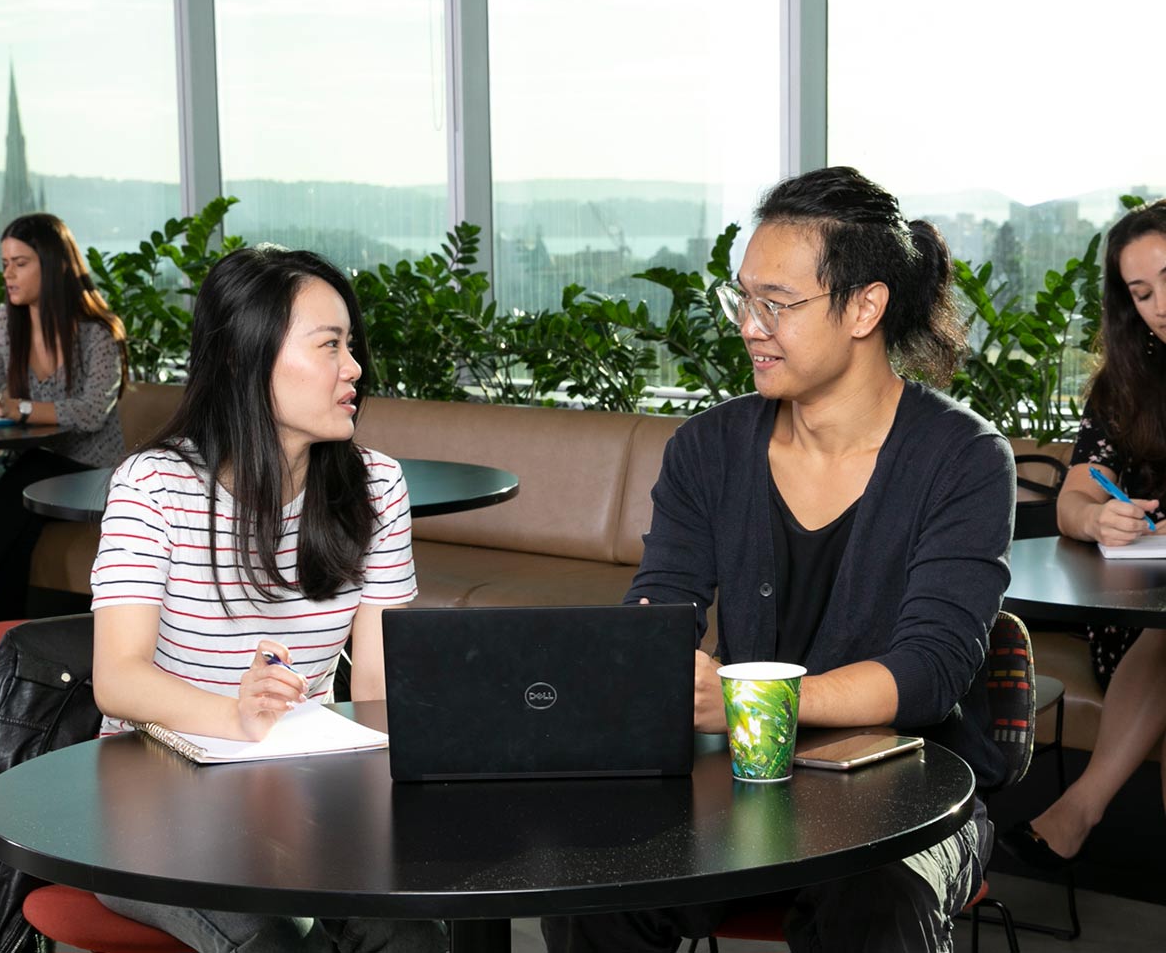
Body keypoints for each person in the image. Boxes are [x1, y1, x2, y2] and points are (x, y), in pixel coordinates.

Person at [542, 166, 1015, 953]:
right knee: (592, 884)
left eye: (777, 303)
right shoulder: (708, 449)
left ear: (864, 307)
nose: (749, 326)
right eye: (743, 299)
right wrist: (653, 660)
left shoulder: (962, 458)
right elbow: (660, 612)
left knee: (876, 901)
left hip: (913, 794)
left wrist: (749, 704)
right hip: (740, 785)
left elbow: (931, 671)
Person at [89, 246, 444, 953]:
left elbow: (378, 688)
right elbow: (118, 679)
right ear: (241, 360)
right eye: (329, 345)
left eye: (351, 345)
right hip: (153, 798)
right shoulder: (153, 486)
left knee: (410, 933)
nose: (354, 368)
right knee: (272, 942)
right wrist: (237, 716)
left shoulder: (375, 486)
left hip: (307, 790)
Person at [1000, 199, 1166, 870]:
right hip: (1141, 618)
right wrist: (1100, 518)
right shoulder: (1127, 387)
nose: (1161, 305)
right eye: (1142, 293)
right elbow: (1074, 502)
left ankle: (1078, 809)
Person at [0, 212, 127, 618]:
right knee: (16, 518)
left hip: (89, 467)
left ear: (54, 266)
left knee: (10, 491)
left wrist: (21, 408)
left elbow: (92, 412)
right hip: (33, 463)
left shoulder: (98, 332)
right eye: (5, 263)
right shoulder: (6, 323)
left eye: (20, 263)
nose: (8, 274)